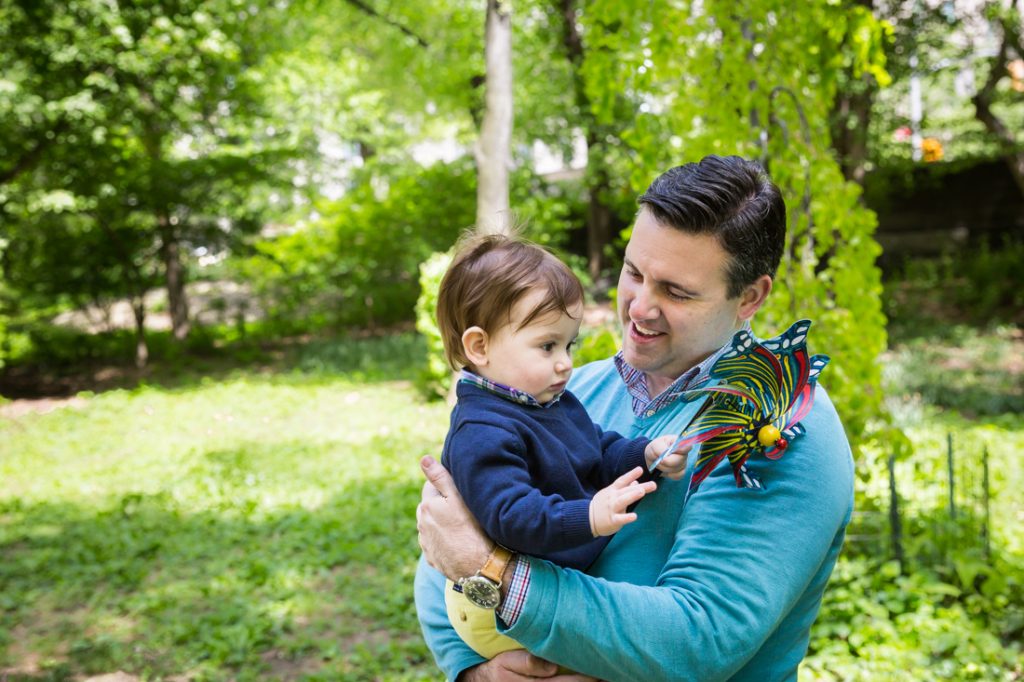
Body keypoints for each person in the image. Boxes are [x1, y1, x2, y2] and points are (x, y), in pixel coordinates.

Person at [415, 155, 855, 681]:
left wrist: (494, 575)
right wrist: (476, 673)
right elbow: (442, 554)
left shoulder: (775, 421)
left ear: (750, 296)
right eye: (633, 272)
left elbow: (700, 637)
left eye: (676, 291)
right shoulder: (564, 390)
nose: (639, 308)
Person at [434, 232, 688, 659]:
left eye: (569, 344)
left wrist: (644, 457)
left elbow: (594, 451)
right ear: (479, 346)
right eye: (547, 345)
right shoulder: (482, 429)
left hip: (541, 584)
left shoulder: (546, 400)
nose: (565, 362)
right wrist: (588, 516)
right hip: (492, 608)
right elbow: (511, 516)